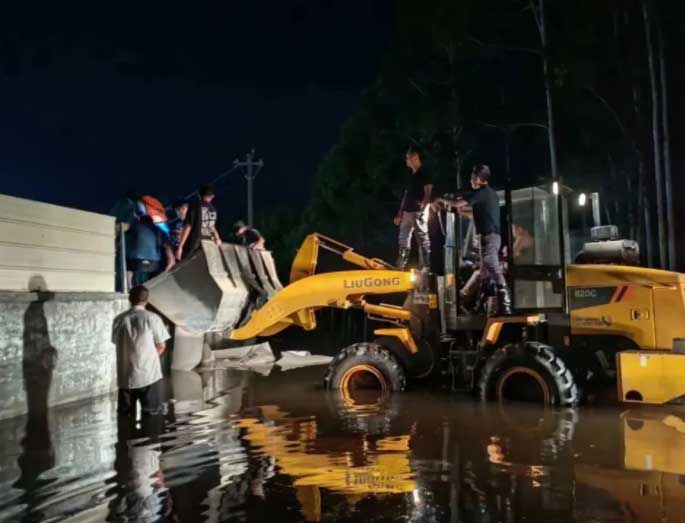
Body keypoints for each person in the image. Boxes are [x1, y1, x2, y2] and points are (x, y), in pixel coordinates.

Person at [439, 165, 512, 315]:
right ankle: (479, 305)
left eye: (472, 177)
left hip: (489, 238)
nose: (470, 180)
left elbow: (458, 203)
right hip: (488, 238)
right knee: (483, 273)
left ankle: (506, 302)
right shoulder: (489, 195)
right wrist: (461, 212)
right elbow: (476, 213)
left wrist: (440, 198)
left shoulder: (482, 193)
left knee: (491, 263)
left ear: (478, 179)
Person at [112, 286, 170, 416]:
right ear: (147, 300)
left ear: (130, 299)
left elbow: (116, 341)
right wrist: (150, 357)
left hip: (125, 377)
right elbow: (161, 345)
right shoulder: (152, 318)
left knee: (125, 417)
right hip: (148, 375)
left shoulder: (118, 319)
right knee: (151, 415)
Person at [394, 145, 432, 271]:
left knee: (422, 239)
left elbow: (428, 193)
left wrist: (423, 211)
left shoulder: (424, 173)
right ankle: (401, 265)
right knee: (403, 238)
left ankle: (425, 267)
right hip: (407, 212)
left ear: (415, 158)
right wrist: (400, 213)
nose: (406, 160)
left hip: (417, 211)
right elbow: (406, 195)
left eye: (408, 158)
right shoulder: (411, 175)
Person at [126, 214, 175, 287]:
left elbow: (124, 227)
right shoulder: (160, 230)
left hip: (136, 262)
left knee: (128, 266)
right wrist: (171, 261)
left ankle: (129, 287)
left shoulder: (137, 225)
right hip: (154, 264)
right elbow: (167, 248)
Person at [176, 184, 221, 260]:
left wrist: (180, 246)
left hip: (194, 243)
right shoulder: (213, 209)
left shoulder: (195, 207)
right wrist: (217, 238)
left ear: (199, 195)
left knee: (186, 265)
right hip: (208, 242)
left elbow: (188, 226)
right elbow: (212, 227)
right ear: (212, 196)